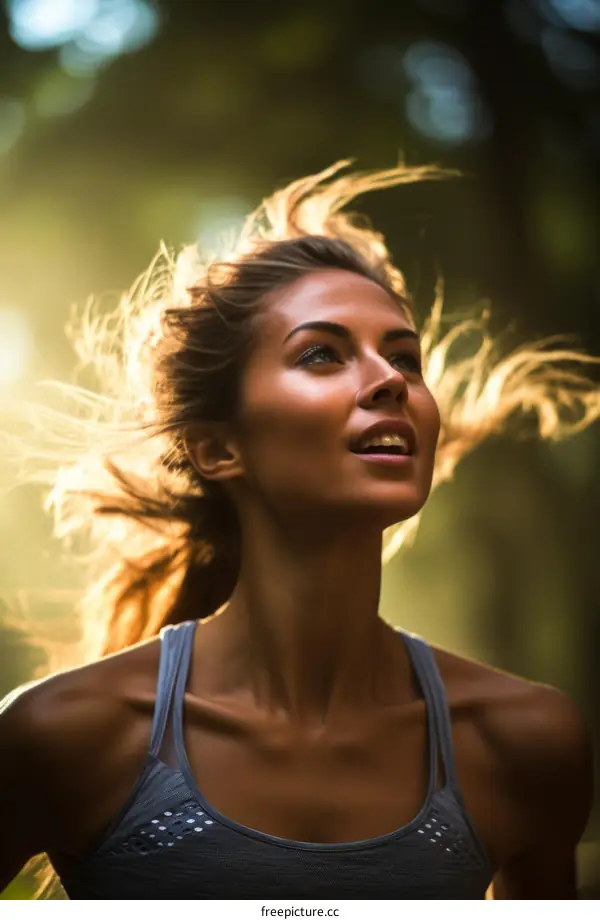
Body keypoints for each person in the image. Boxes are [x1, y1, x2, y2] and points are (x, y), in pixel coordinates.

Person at [0, 161, 597, 900]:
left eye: (404, 358)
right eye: (321, 354)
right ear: (218, 448)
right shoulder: (64, 734)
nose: (390, 380)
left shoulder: (525, 742)